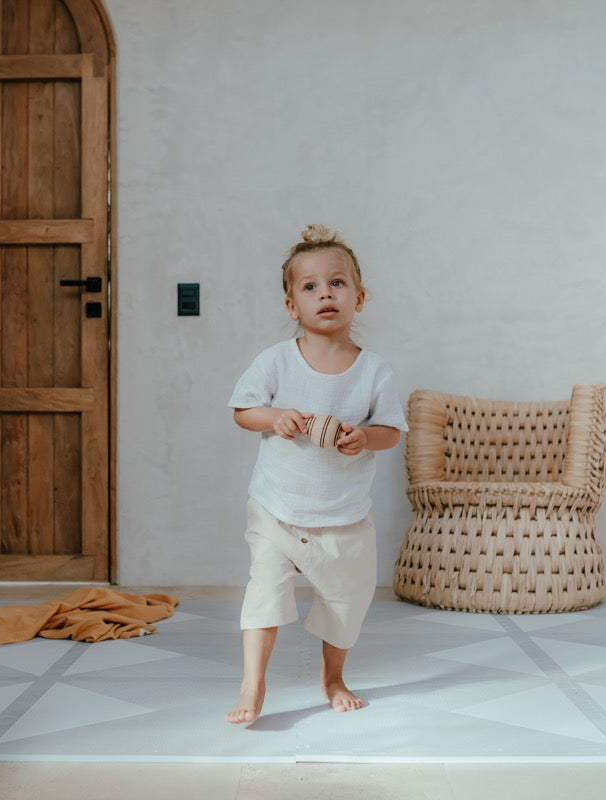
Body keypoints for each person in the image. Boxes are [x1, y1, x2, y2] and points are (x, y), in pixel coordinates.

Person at [225, 224, 408, 725]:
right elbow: (243, 410)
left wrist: (363, 438)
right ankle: (252, 683)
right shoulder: (276, 361)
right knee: (264, 587)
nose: (325, 293)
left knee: (347, 603)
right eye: (310, 287)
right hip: (277, 508)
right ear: (292, 307)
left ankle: (333, 677)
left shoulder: (374, 372)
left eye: (337, 283)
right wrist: (274, 416)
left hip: (343, 516)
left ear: (359, 298)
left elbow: (392, 431)